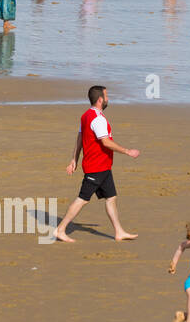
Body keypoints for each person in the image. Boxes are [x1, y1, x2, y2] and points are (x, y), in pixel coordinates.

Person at [53, 85, 141, 242]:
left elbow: (80, 138)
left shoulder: (86, 115)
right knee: (83, 198)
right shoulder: (97, 119)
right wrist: (127, 151)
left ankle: (119, 231)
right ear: (100, 99)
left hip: (104, 167)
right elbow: (106, 142)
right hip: (96, 167)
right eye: (107, 96)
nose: (108, 99)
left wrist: (74, 159)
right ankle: (60, 230)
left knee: (111, 197)